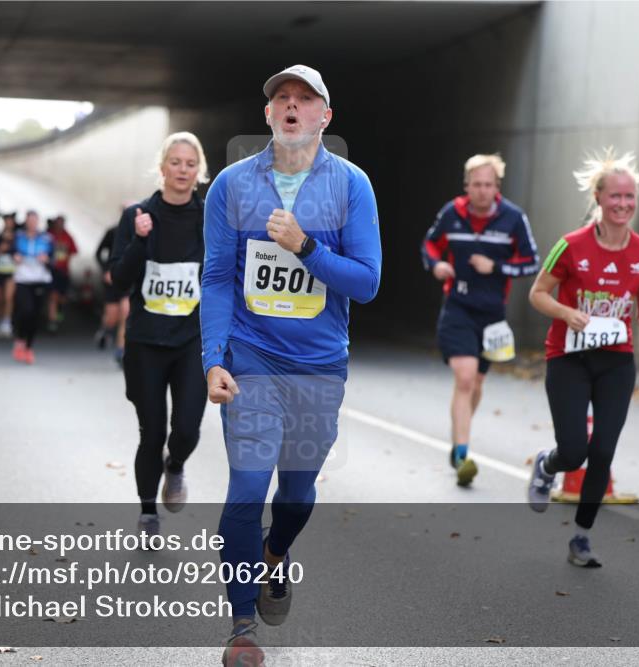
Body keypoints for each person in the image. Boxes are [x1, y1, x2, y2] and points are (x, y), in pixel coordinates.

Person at [202, 65, 381, 664]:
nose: (292, 106)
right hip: (250, 357)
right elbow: (217, 277)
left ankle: (274, 553)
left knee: (297, 495)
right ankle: (241, 624)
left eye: (305, 99)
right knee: (248, 486)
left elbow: (367, 282)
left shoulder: (351, 186)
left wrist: (305, 246)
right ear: (268, 114)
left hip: (318, 365)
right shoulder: (231, 185)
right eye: (282, 97)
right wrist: (213, 359)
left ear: (325, 117)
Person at [527, 148, 639, 567]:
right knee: (574, 452)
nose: (623, 204)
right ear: (599, 198)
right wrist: (565, 312)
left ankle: (582, 537)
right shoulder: (571, 245)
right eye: (615, 196)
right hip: (569, 358)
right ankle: (547, 465)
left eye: (629, 197)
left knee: (603, 451)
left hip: (616, 362)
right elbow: (537, 294)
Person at [109, 132, 210, 546]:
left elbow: (225, 275)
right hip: (146, 342)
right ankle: (148, 512)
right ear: (162, 167)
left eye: (190, 163)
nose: (182, 170)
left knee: (185, 429)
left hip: (192, 341)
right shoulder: (137, 215)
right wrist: (139, 240)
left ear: (199, 171)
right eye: (175, 162)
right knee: (151, 433)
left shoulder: (210, 219)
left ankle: (177, 464)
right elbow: (118, 279)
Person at [421, 154, 540, 486]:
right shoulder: (452, 213)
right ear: (467, 185)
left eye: (488, 184)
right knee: (465, 377)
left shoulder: (513, 218)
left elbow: (532, 262)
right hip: (457, 308)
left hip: (492, 315)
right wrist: (437, 265)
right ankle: (462, 454)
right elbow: (429, 244)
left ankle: (459, 436)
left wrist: (496, 267)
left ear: (497, 186)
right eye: (476, 184)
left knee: (476, 384)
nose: (482, 190)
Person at [12, 211, 53, 364]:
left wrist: (47, 260)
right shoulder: (18, 236)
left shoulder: (46, 238)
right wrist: (15, 256)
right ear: (26, 222)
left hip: (39, 279)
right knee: (25, 310)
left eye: (35, 221)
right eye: (30, 221)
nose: (32, 223)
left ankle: (29, 347)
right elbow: (10, 251)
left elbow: (55, 259)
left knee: (35, 315)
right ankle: (19, 339)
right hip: (23, 279)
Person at [94, 216, 130, 364]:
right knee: (112, 317)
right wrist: (106, 271)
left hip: (130, 279)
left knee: (125, 313)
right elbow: (98, 253)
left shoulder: (143, 232)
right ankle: (105, 329)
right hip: (113, 279)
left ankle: (121, 349)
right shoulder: (113, 231)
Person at [47, 214, 79, 333]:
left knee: (62, 298)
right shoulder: (49, 235)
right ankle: (52, 322)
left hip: (63, 271)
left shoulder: (68, 236)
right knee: (53, 296)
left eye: (61, 223)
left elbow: (74, 251)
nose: (59, 225)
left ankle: (59, 309)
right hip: (51, 270)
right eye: (58, 223)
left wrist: (65, 255)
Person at [0, 213, 18, 337]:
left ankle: (7, 322)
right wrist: (0, 249)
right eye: (7, 221)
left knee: (8, 297)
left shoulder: (18, 237)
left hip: (11, 272)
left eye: (11, 221)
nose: (9, 224)